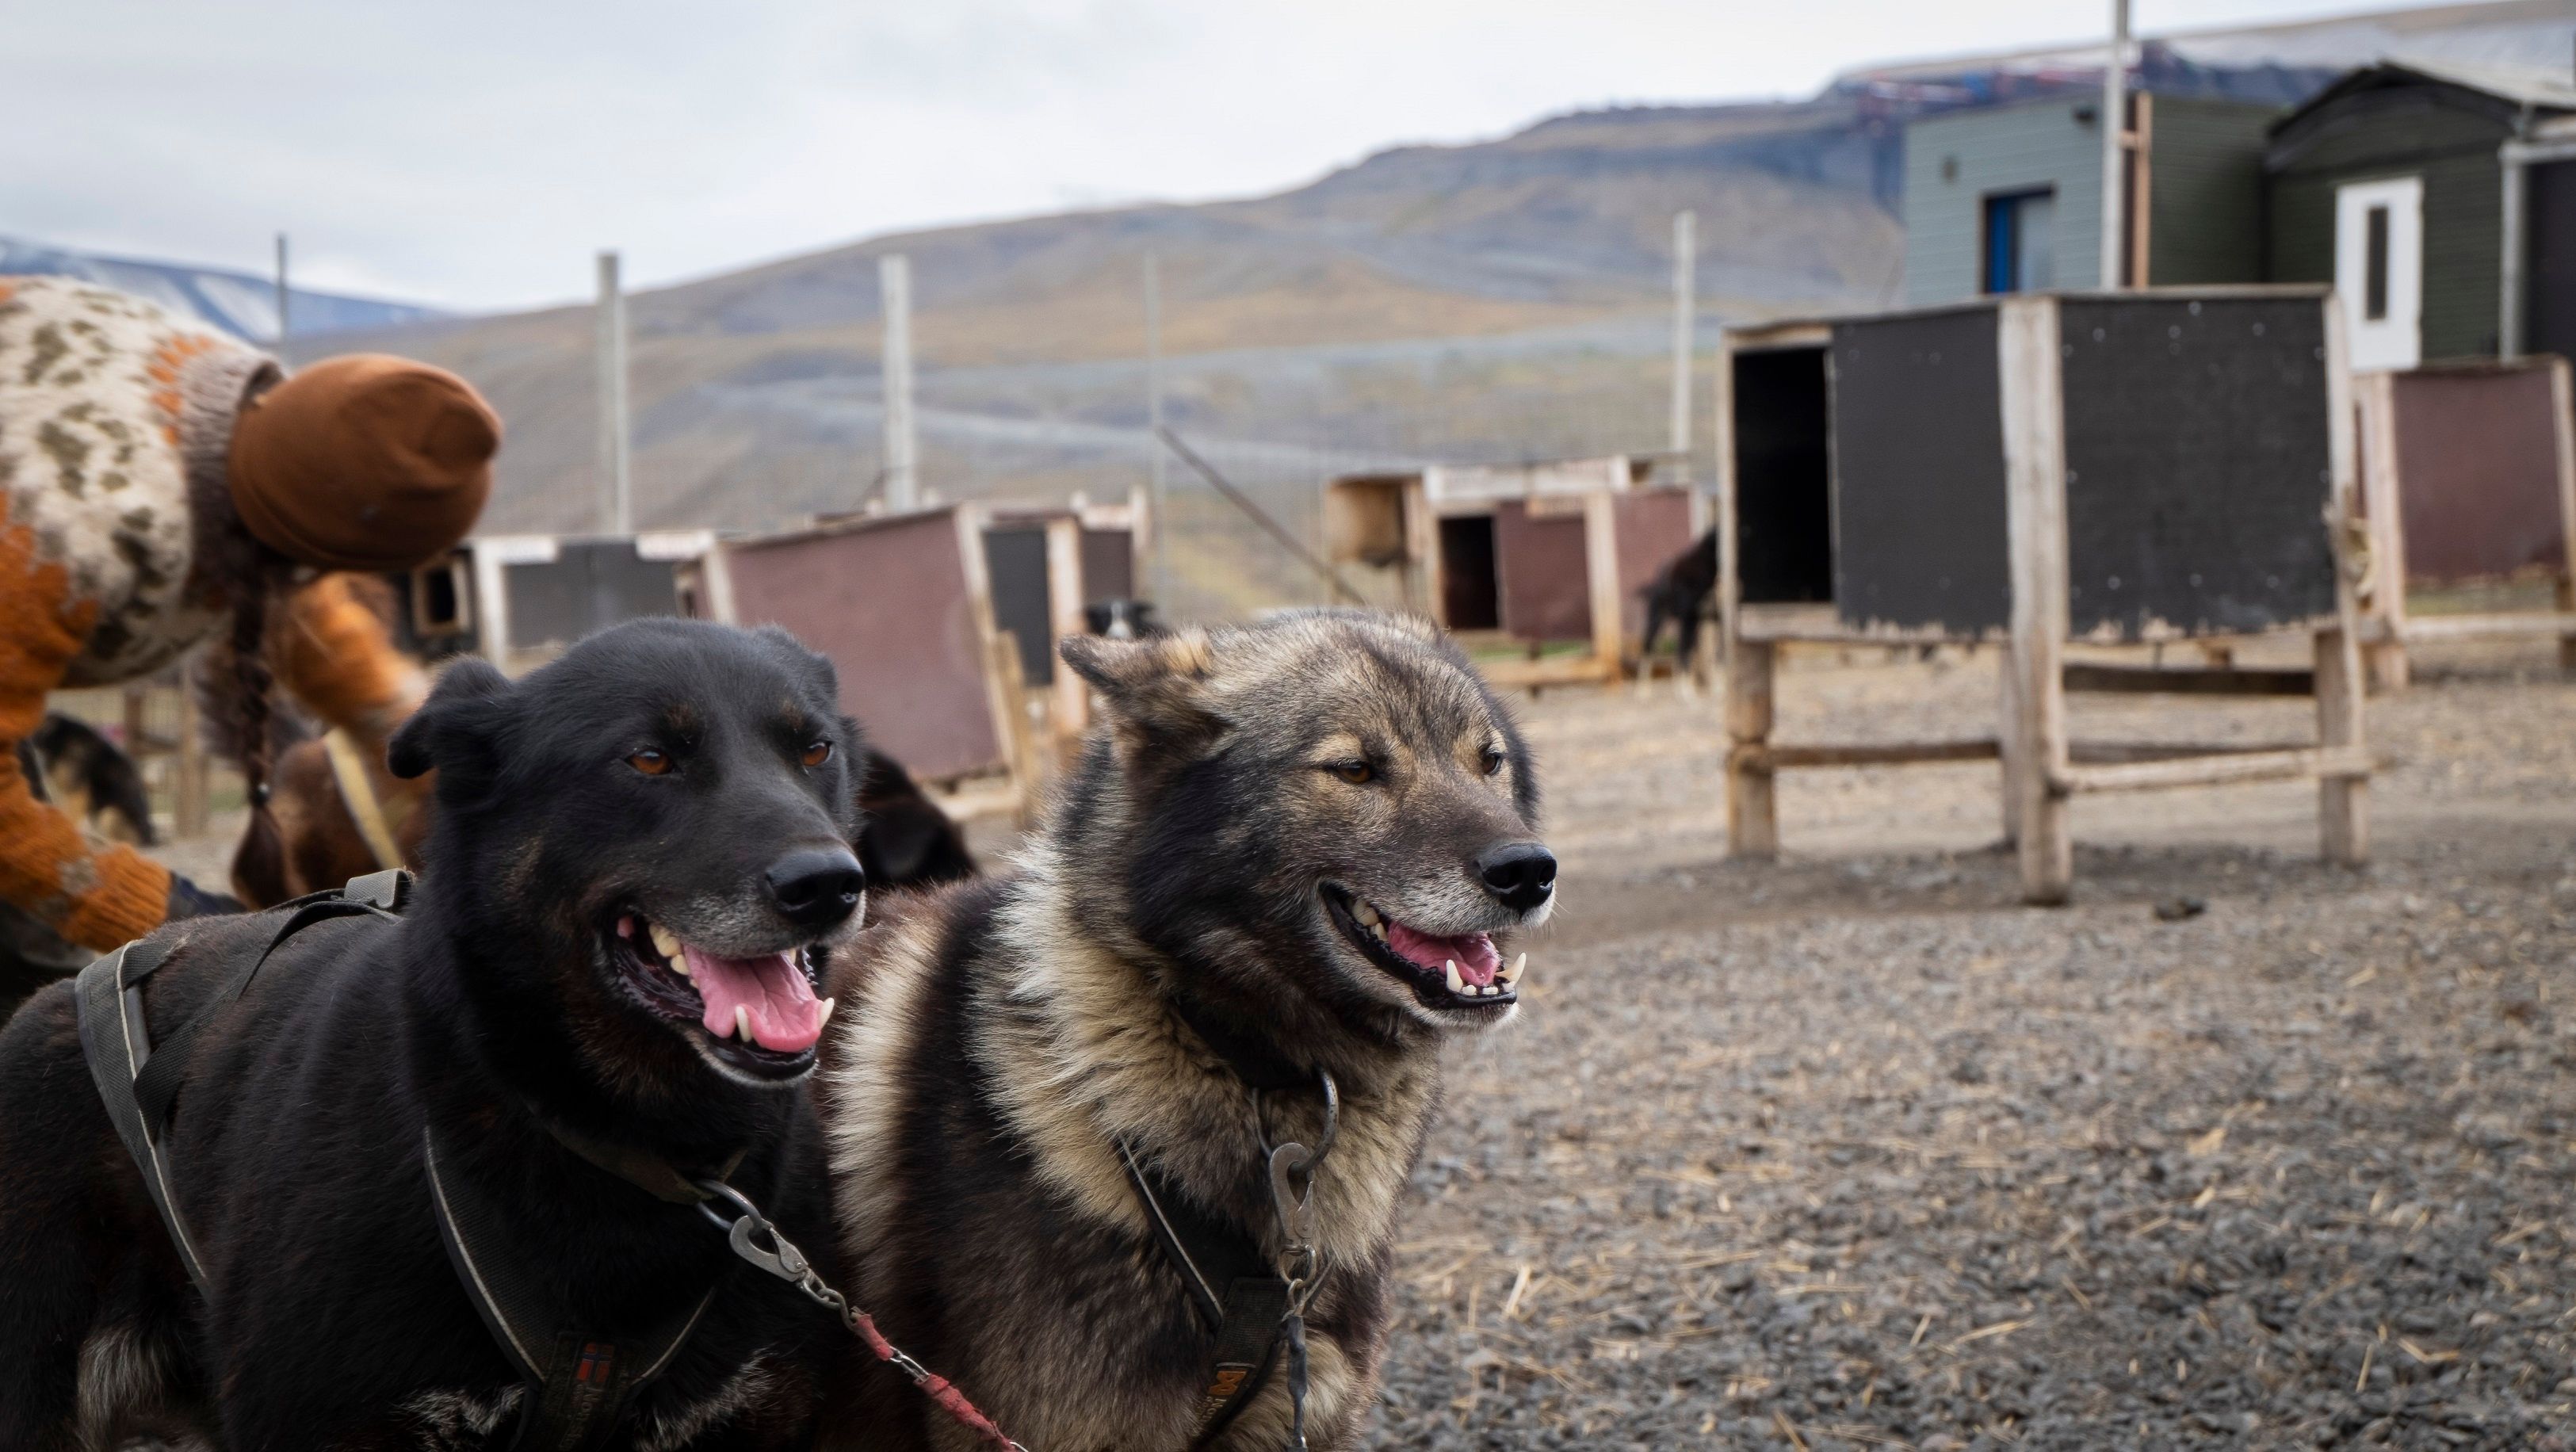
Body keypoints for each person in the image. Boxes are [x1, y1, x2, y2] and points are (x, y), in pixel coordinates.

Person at [0, 275, 497, 953]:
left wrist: (424, 746)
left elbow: (308, 613)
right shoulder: (68, 532)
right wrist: (152, 908)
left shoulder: (266, 425)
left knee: (37, 945)